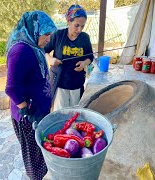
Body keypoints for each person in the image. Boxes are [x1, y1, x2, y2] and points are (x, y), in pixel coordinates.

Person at [5, 11, 57, 179]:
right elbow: (11, 88)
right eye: (46, 34)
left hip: (38, 112)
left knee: (40, 152)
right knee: (33, 158)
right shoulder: (20, 51)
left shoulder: (34, 47)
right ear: (34, 29)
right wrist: (28, 110)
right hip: (28, 118)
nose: (49, 39)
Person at [45, 4, 94, 111]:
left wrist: (84, 63)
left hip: (77, 83)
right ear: (68, 21)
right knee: (61, 115)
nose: (79, 30)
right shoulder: (58, 35)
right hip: (60, 83)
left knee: (74, 114)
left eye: (82, 26)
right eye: (77, 25)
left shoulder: (85, 38)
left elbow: (90, 56)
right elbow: (44, 51)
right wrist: (50, 59)